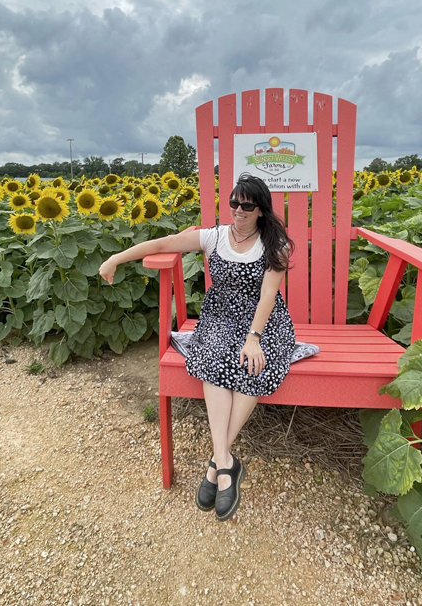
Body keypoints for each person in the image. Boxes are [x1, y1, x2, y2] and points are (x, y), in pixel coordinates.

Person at [98, 173, 295, 521]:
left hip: (261, 321)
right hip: (220, 317)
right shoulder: (214, 237)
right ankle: (226, 462)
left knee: (254, 366)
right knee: (211, 359)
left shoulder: (274, 245)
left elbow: (268, 294)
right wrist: (117, 257)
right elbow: (165, 243)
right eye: (233, 202)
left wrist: (254, 338)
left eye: (247, 205)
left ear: (261, 210)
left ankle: (216, 464)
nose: (238, 210)